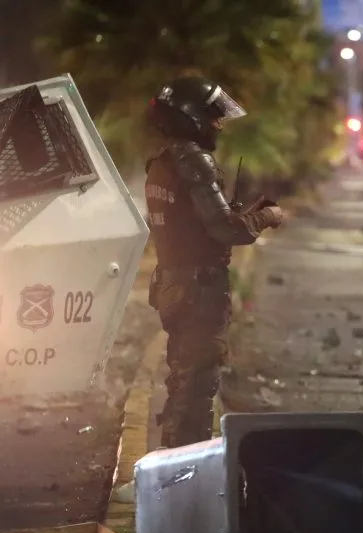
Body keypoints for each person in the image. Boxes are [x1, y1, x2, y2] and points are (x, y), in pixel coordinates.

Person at [145, 75, 283, 449]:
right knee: (195, 390)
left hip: (175, 285)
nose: (218, 124)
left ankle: (176, 464)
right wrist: (266, 217)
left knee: (183, 382)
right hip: (198, 292)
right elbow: (225, 230)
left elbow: (193, 222)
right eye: (212, 117)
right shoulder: (194, 161)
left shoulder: (163, 162)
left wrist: (242, 213)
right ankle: (183, 471)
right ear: (191, 118)